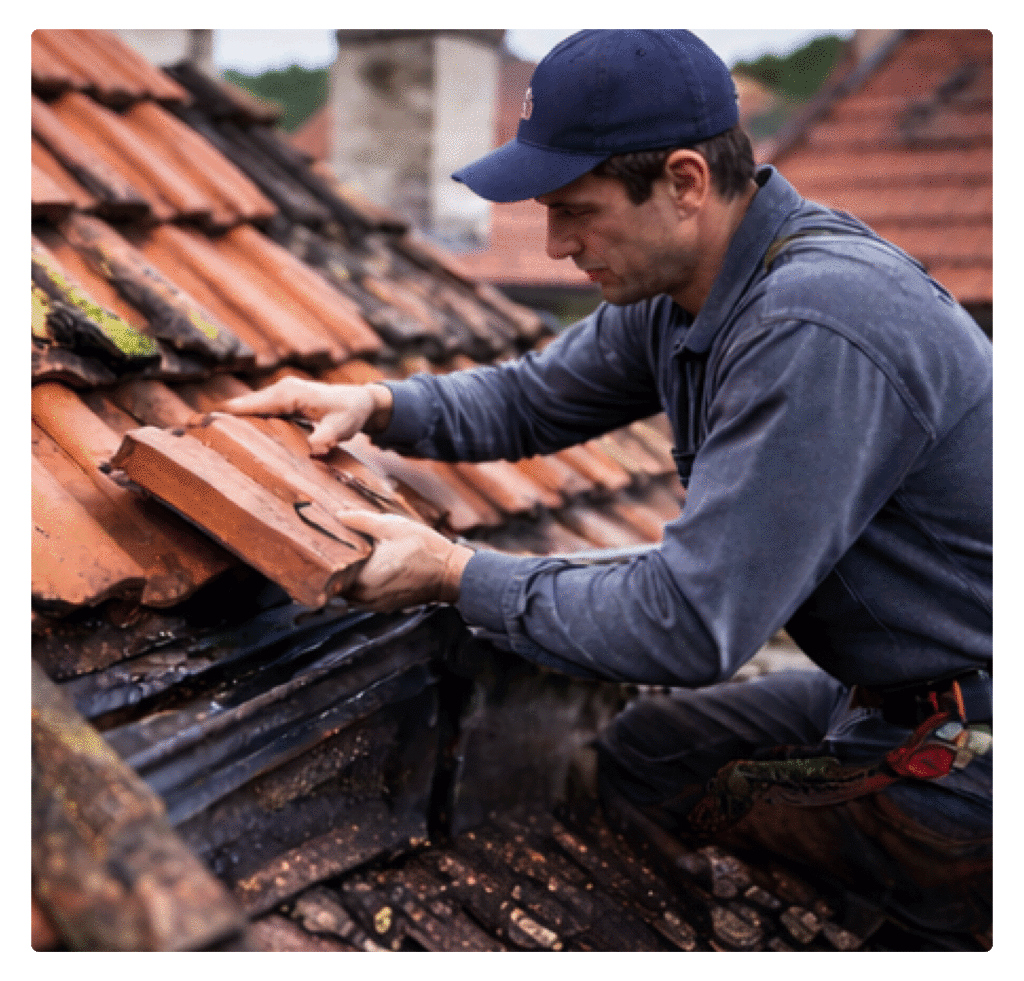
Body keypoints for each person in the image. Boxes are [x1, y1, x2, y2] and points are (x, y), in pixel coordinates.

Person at [220, 30, 992, 942]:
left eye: (575, 212)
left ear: (685, 182)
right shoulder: (691, 287)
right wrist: (378, 403)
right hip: (885, 695)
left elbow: (690, 621)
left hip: (972, 747)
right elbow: (534, 397)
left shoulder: (813, 323)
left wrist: (454, 574)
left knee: (738, 844)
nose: (553, 246)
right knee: (649, 753)